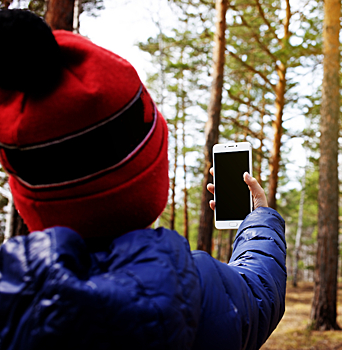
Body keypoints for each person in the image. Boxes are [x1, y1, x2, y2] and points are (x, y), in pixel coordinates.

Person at [0, 9, 286, 350]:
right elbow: (260, 290)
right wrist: (259, 219)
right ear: (152, 179)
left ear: (27, 195)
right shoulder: (198, 290)